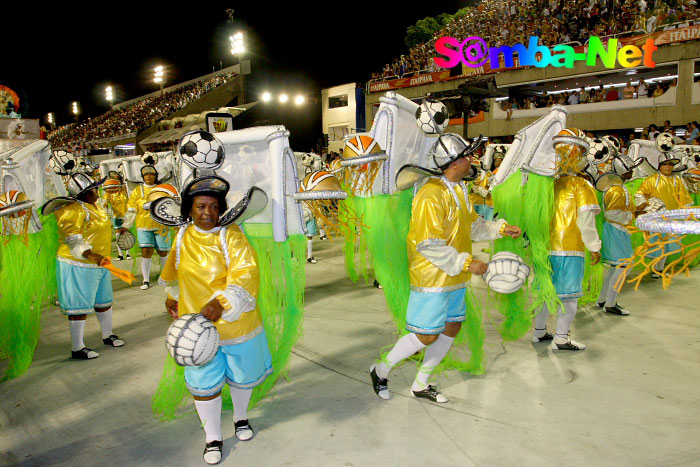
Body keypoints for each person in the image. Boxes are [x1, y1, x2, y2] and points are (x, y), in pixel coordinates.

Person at [370, 134, 522, 403]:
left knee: (452, 327)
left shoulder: (459, 189)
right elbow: (428, 244)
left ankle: (421, 383)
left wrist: (500, 228)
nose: (471, 160)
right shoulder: (431, 193)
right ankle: (380, 370)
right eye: (467, 156)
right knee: (426, 335)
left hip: (455, 275)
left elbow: (472, 225)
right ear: (453, 163)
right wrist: (467, 262)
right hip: (432, 276)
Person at [159, 175, 273, 465]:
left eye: (213, 206)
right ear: (190, 209)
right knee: (203, 382)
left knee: (241, 375)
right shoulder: (182, 235)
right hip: (196, 328)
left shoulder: (231, 234)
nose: (207, 213)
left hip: (236, 323)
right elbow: (174, 271)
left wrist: (222, 302)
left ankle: (241, 418)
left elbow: (246, 272)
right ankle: (212, 437)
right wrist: (172, 296)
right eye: (200, 206)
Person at [532, 129, 601, 351]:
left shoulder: (546, 185)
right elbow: (586, 221)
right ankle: (561, 338)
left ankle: (539, 332)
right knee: (569, 297)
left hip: (545, 248)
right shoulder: (582, 185)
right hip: (570, 248)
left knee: (546, 292)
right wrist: (595, 247)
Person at [42, 173, 125, 359]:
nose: (97, 191)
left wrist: (121, 228)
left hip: (100, 262)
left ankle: (107, 335)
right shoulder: (72, 210)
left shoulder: (96, 206)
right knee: (79, 307)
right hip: (78, 264)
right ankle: (77, 347)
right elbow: (73, 240)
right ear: (84, 193)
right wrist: (89, 254)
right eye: (93, 189)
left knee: (104, 301)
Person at [596, 154, 645, 315]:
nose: (633, 172)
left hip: (616, 229)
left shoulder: (617, 187)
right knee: (624, 266)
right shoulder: (616, 190)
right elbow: (612, 214)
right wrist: (634, 215)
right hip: (616, 230)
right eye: (630, 169)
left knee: (617, 266)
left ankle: (603, 299)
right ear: (624, 172)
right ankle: (610, 303)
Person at [634, 152, 694, 277]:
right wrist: (645, 205)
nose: (668, 167)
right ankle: (654, 269)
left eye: (670, 165)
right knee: (656, 245)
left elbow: (685, 200)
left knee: (667, 245)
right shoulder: (652, 180)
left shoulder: (677, 181)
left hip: (671, 220)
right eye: (665, 164)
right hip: (656, 220)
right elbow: (640, 194)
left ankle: (658, 270)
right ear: (660, 166)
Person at [121, 164, 172, 289]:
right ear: (143, 177)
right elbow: (132, 209)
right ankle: (146, 280)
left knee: (163, 251)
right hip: (143, 226)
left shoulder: (163, 189)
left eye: (151, 174)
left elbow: (170, 205)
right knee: (146, 251)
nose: (149, 176)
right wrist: (126, 225)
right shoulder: (138, 191)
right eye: (146, 174)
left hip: (161, 225)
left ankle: (165, 277)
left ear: (155, 176)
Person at [102, 177, 131, 260]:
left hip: (126, 216)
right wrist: (105, 205)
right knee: (118, 236)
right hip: (116, 216)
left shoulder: (124, 191)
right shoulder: (109, 194)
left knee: (126, 235)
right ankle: (120, 254)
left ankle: (128, 254)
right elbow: (105, 202)